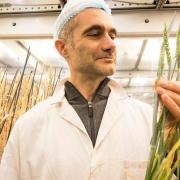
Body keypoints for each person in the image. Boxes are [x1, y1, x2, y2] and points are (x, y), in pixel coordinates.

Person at [0, 0, 179, 179]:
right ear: (63, 48)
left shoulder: (150, 120)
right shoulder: (28, 128)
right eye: (95, 34)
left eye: (113, 35)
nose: (111, 45)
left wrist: (174, 145)